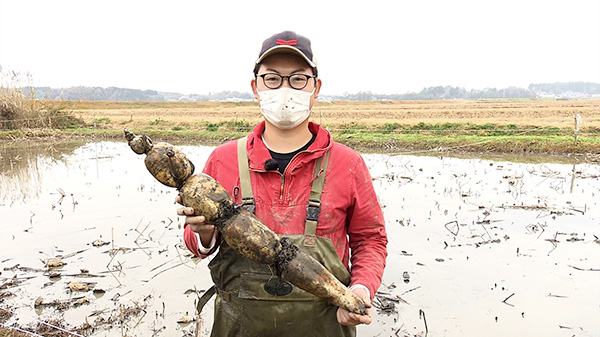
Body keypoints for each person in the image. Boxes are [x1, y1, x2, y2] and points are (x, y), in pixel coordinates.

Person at [176, 30, 387, 337]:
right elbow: (198, 246)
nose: (285, 89)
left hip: (326, 324)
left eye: (298, 79)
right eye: (272, 79)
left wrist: (361, 287)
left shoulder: (348, 164)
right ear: (255, 87)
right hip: (239, 326)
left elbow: (370, 239)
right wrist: (204, 232)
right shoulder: (223, 160)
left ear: (316, 88)